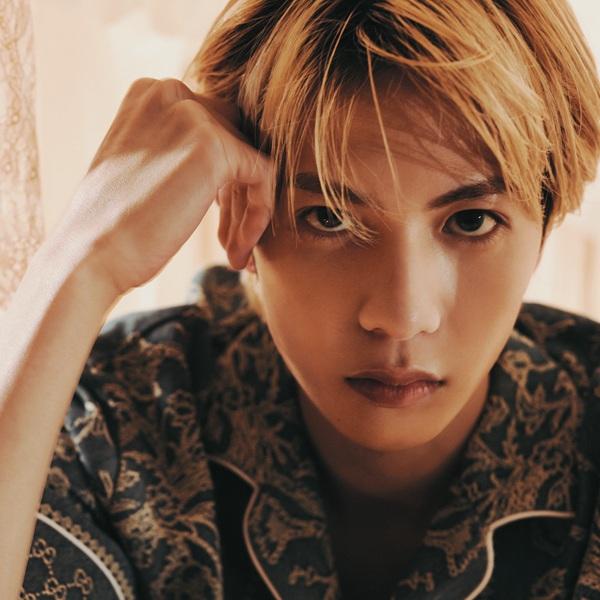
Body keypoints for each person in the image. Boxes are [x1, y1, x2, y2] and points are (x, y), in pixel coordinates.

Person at [2, 0, 600, 598]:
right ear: (239, 207)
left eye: (471, 221)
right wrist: (79, 265)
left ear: (546, 225)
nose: (401, 316)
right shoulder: (111, 419)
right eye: (329, 217)